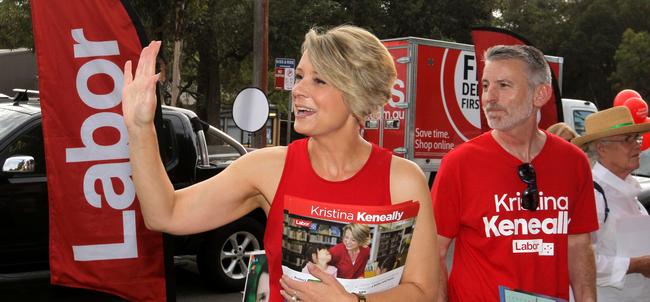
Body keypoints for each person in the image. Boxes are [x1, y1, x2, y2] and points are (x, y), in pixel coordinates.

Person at [122, 25, 438, 302]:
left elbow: (425, 291)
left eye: (319, 81)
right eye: (300, 77)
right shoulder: (266, 168)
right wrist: (140, 128)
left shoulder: (403, 180)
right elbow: (165, 213)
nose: (297, 90)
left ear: (358, 92)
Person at [430, 45, 598, 301]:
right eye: (486, 86)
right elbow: (435, 253)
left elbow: (578, 245)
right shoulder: (460, 163)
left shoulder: (573, 162)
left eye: (504, 85)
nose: (489, 97)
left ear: (540, 94)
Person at [572, 106, 650, 301]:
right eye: (627, 139)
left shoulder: (627, 191)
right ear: (601, 148)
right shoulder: (592, 194)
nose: (637, 145)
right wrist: (636, 265)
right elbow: (579, 262)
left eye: (637, 138)